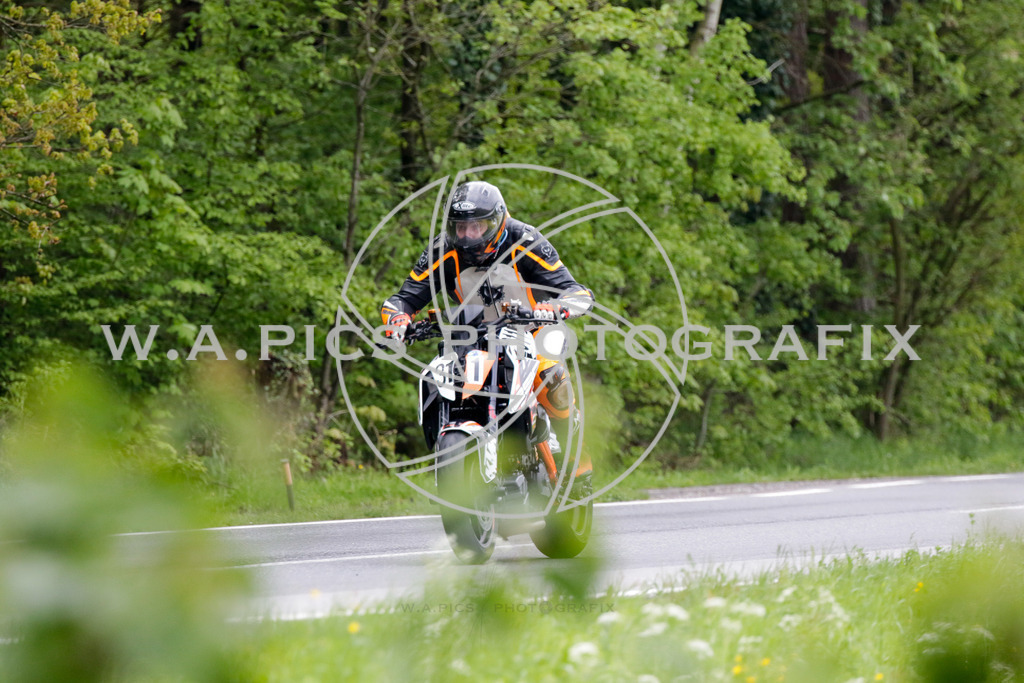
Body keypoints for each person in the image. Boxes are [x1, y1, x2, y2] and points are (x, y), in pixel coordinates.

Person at [379, 180, 594, 486]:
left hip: (531, 328)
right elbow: (405, 296)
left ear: (497, 221)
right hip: (472, 337)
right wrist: (398, 319)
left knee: (551, 378)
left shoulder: (525, 240)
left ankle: (578, 465)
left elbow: (575, 290)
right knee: (439, 377)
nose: (467, 236)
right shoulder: (443, 249)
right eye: (460, 227)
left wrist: (557, 307)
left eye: (476, 227)